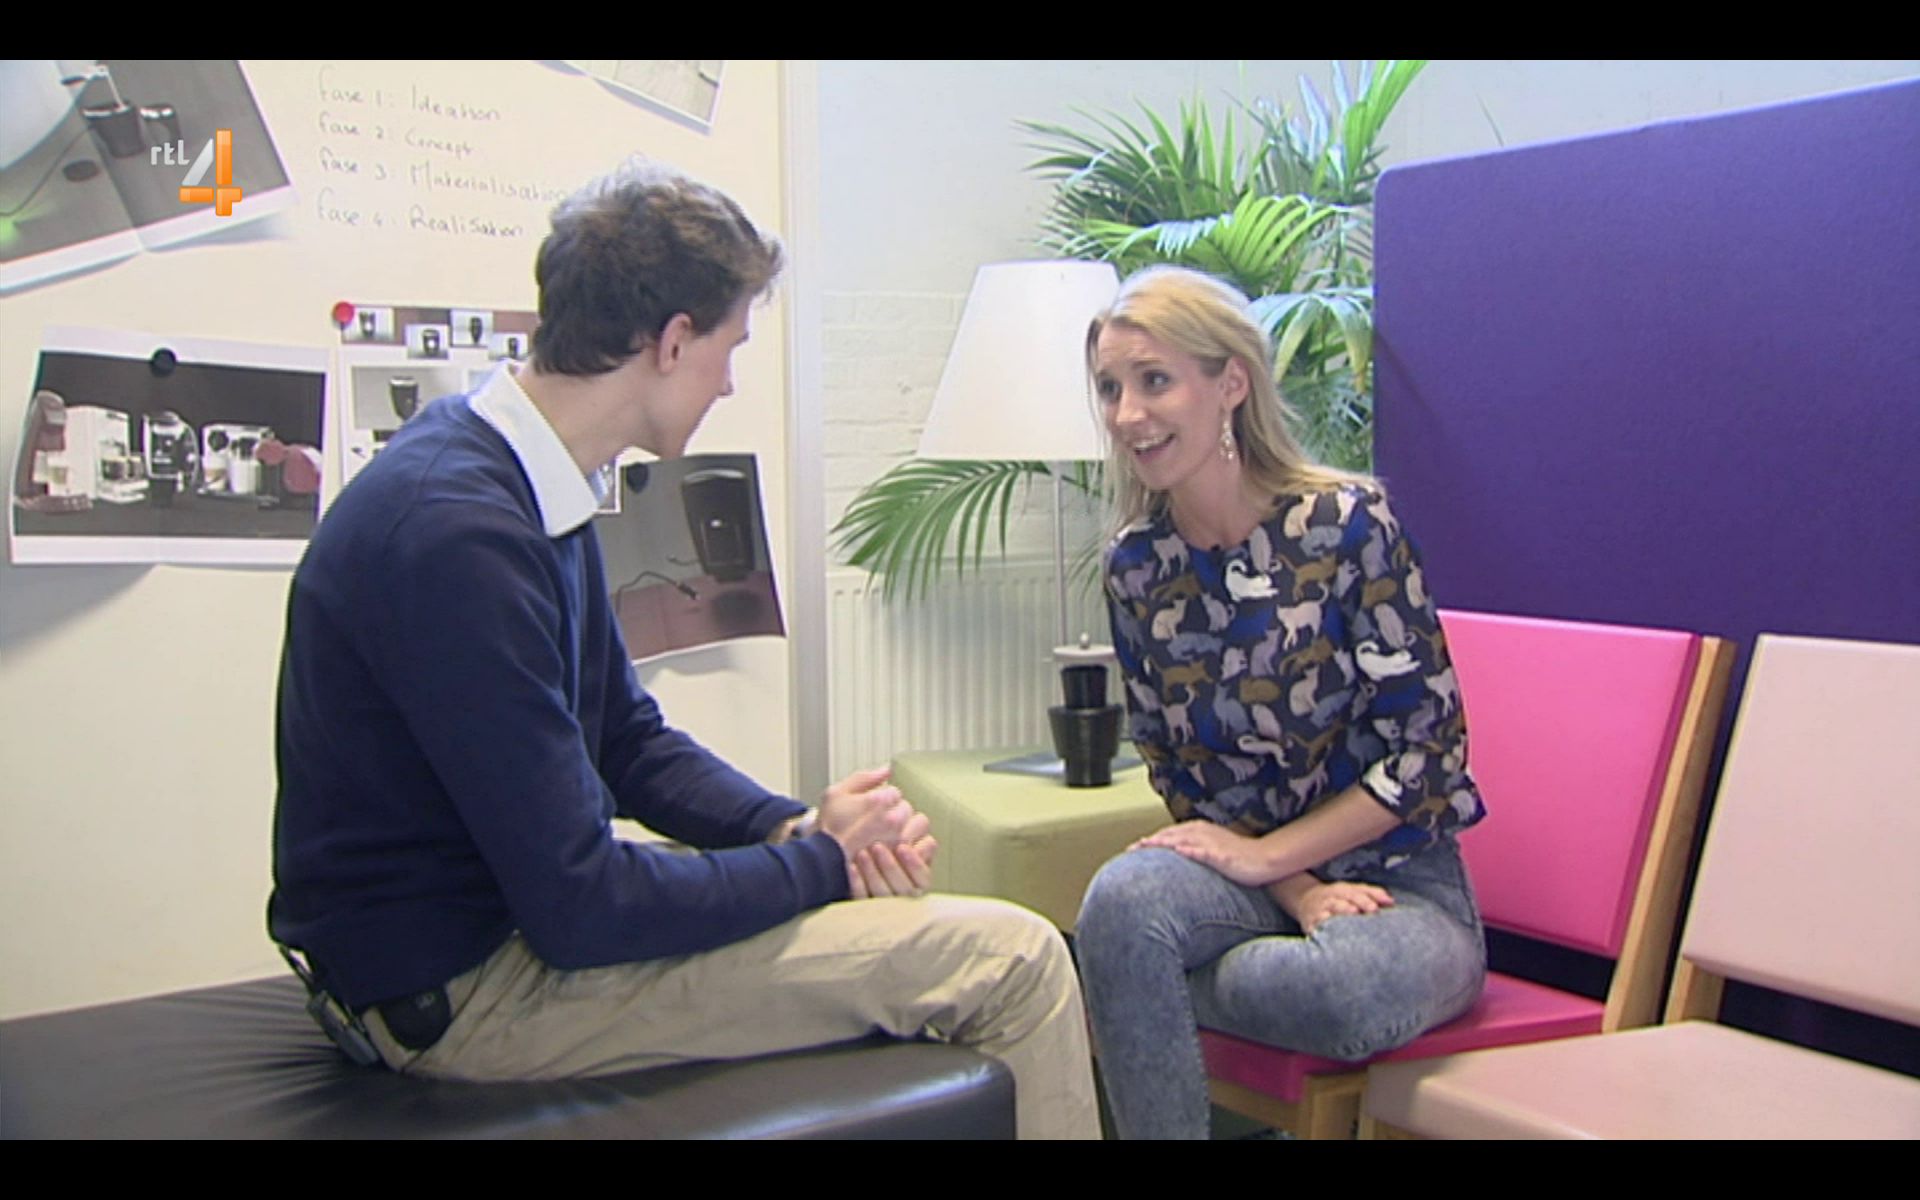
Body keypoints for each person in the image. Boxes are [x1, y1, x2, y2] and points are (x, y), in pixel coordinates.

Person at [268, 160, 1098, 1139]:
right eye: (729, 346)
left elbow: (624, 740)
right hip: (466, 995)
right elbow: (582, 906)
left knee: (931, 936)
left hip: (488, 944)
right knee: (1017, 960)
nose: (731, 380)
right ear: (671, 342)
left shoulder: (517, 473)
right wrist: (825, 864)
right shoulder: (457, 536)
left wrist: (786, 830)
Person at [1074, 266, 1488, 1139]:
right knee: (1119, 906)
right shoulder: (1136, 567)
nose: (1127, 415)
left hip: (1399, 888)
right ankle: (1136, 983)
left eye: (1155, 381)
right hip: (1249, 881)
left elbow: (1428, 756)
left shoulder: (1348, 525)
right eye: (1111, 388)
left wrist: (1271, 860)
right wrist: (1289, 886)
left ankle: (1133, 986)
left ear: (1231, 384)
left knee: (1339, 990)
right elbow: (1177, 774)